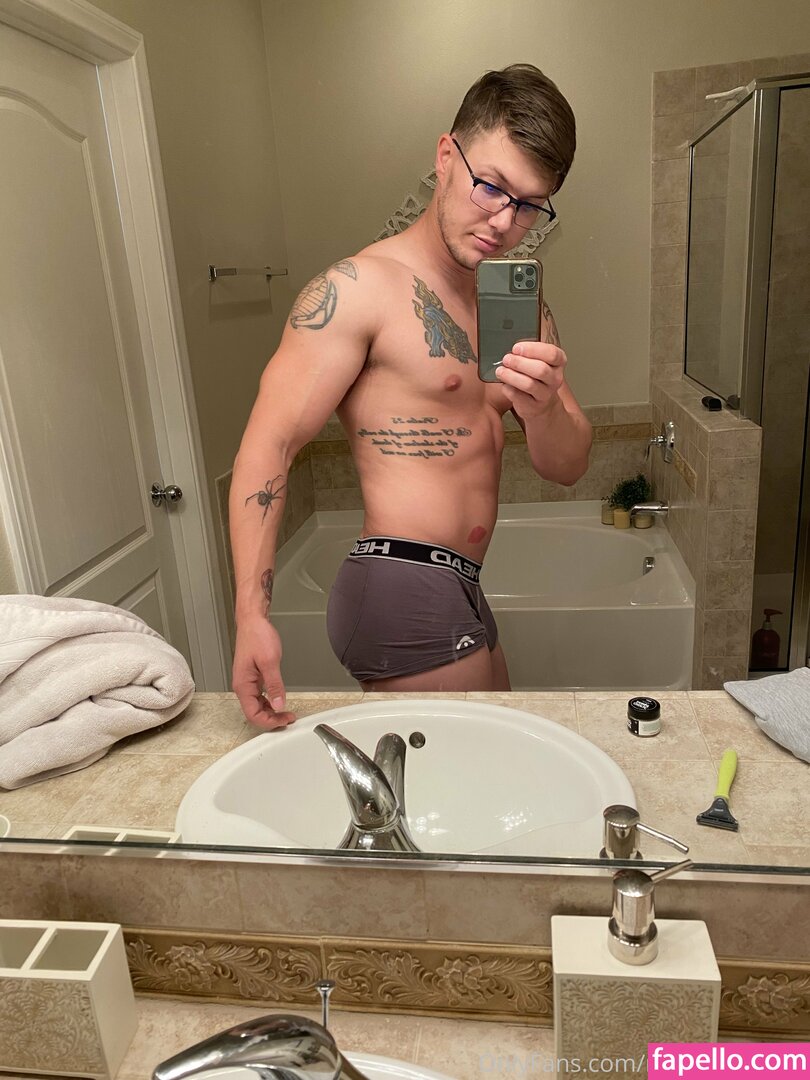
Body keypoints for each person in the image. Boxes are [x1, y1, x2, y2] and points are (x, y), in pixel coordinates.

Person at [230, 63, 592, 728]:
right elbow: (269, 444)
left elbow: (567, 466)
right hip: (401, 578)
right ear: (446, 156)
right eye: (492, 186)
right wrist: (250, 616)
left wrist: (542, 408)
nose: (504, 221)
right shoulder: (359, 288)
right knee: (468, 778)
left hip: (463, 585)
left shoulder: (518, 303)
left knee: (496, 764)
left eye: (529, 205)